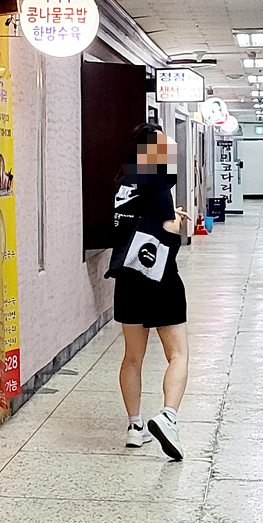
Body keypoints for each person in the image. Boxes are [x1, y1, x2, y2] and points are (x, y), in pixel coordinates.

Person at [108, 124, 190, 460]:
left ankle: (135, 425)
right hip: (161, 280)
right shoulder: (158, 183)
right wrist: (175, 224)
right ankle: (168, 417)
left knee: (132, 357)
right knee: (178, 355)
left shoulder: (122, 184)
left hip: (128, 280)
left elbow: (133, 225)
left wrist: (165, 219)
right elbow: (167, 237)